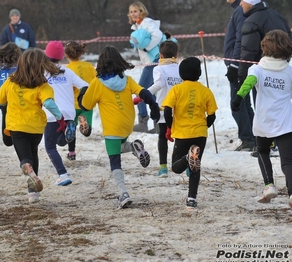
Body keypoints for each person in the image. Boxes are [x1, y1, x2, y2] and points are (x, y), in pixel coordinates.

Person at [78, 45, 160, 209]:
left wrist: (83, 92)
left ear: (100, 64)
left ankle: (123, 193)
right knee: (121, 146)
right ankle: (134, 147)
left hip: (112, 128)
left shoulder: (97, 83)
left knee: (115, 160)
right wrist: (154, 106)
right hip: (127, 124)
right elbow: (143, 93)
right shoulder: (127, 80)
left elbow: (86, 105)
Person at [0, 48, 67, 204]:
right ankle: (33, 193)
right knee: (33, 153)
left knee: (25, 157)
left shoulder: (10, 81)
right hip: (35, 127)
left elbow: (0, 100)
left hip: (16, 126)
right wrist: (60, 118)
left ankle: (26, 166)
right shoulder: (43, 85)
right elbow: (48, 103)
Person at [231, 30, 292, 209]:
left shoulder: (257, 69)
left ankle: (269, 185)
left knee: (263, 151)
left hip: (264, 120)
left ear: (264, 47)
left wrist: (238, 99)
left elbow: (248, 83)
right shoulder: (289, 71)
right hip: (286, 122)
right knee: (288, 161)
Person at [162, 57, 218, 210]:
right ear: (199, 73)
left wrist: (170, 126)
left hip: (182, 133)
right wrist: (203, 127)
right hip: (200, 134)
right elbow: (212, 115)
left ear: (181, 74)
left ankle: (188, 157)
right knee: (195, 167)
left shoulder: (176, 90)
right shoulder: (206, 91)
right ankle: (191, 198)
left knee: (176, 167)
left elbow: (167, 110)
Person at [238, 0, 292, 157]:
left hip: (263, 70)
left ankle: (269, 144)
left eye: (243, 1)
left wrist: (242, 73)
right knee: (281, 106)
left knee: (264, 107)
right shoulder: (278, 16)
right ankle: (279, 142)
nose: (241, 4)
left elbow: (248, 51)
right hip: (282, 67)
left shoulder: (252, 21)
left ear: (250, 3)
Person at [133, 38, 182, 178]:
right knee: (180, 138)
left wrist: (143, 96)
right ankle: (181, 163)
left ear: (160, 55)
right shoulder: (180, 69)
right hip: (179, 109)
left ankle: (163, 167)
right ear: (176, 55)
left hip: (163, 108)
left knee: (162, 137)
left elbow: (158, 84)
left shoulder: (158, 68)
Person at [43, 41, 89, 186]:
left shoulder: (42, 72)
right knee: (60, 141)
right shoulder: (67, 71)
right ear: (61, 56)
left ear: (46, 54)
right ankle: (68, 132)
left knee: (50, 146)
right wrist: (81, 100)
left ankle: (63, 174)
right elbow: (85, 85)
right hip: (69, 112)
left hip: (52, 113)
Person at [223, 0, 255, 151]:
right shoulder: (239, 10)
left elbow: (241, 39)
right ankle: (252, 136)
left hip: (239, 63)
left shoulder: (241, 11)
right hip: (241, 62)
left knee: (238, 103)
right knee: (245, 102)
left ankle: (248, 139)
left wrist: (235, 63)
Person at [128, 1, 163, 133]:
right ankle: (158, 123)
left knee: (140, 90)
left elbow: (158, 35)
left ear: (141, 12)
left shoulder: (147, 23)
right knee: (151, 92)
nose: (133, 14)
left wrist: (147, 47)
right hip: (149, 61)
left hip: (153, 60)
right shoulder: (137, 26)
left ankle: (143, 121)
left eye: (135, 11)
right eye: (131, 11)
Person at [64, 41, 97, 161]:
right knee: (87, 132)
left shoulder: (67, 69)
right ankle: (84, 122)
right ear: (81, 53)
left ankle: (72, 153)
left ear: (66, 55)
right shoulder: (88, 66)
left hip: (72, 104)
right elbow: (95, 82)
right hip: (87, 103)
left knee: (70, 130)